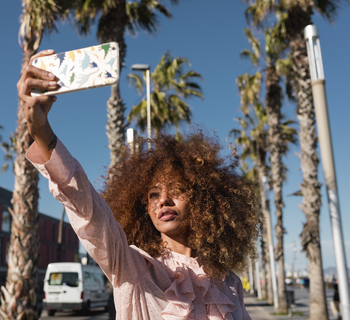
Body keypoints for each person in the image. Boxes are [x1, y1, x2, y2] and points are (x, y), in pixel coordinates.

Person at [19, 50, 259, 319]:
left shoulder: (229, 283)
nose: (163, 201)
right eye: (153, 194)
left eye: (177, 190)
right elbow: (91, 212)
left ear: (204, 200)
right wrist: (42, 132)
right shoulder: (131, 266)